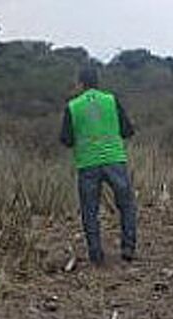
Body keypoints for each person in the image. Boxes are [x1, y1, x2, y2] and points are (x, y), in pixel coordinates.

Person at [59, 64, 139, 265]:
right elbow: (128, 130)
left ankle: (96, 255)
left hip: (87, 163)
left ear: (80, 84)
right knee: (126, 204)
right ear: (97, 82)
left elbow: (66, 140)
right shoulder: (111, 100)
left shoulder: (73, 106)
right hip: (114, 159)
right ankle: (128, 248)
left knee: (90, 211)